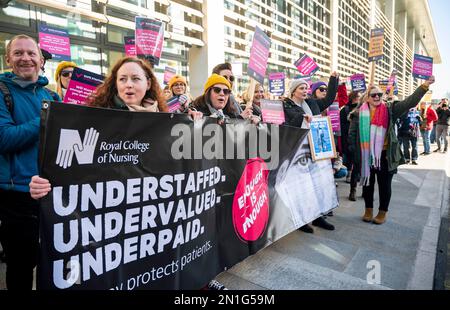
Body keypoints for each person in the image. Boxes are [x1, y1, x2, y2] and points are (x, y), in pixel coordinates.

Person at [0, 34, 61, 290]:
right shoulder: (2, 92)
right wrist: (47, 118)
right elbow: (4, 138)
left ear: (40, 60)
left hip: (52, 193)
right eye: (18, 53)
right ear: (8, 59)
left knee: (53, 259)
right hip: (17, 196)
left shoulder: (53, 96)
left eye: (31, 53)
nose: (25, 58)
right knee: (21, 265)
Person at [348, 76, 435, 225]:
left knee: (384, 185)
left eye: (379, 95)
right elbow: (352, 134)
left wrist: (424, 86)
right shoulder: (358, 114)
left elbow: (410, 101)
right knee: (368, 184)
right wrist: (354, 152)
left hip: (385, 155)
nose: (377, 97)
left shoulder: (390, 109)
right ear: (367, 98)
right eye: (373, 95)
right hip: (366, 154)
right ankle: (368, 210)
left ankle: (382, 213)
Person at [282, 72, 339, 233]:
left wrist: (333, 80)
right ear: (294, 91)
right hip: (298, 153)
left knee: (317, 184)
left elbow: (328, 99)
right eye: (301, 88)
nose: (305, 90)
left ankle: (318, 216)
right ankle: (302, 220)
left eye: (306, 88)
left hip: (316, 150)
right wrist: (302, 118)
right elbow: (287, 125)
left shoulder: (312, 104)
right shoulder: (286, 105)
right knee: (303, 187)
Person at [341, 91, 362, 201]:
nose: (359, 98)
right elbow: (343, 126)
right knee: (356, 167)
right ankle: (353, 190)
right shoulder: (347, 110)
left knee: (367, 169)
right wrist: (349, 143)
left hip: (367, 143)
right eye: (358, 96)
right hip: (353, 141)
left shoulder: (367, 109)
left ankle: (366, 190)